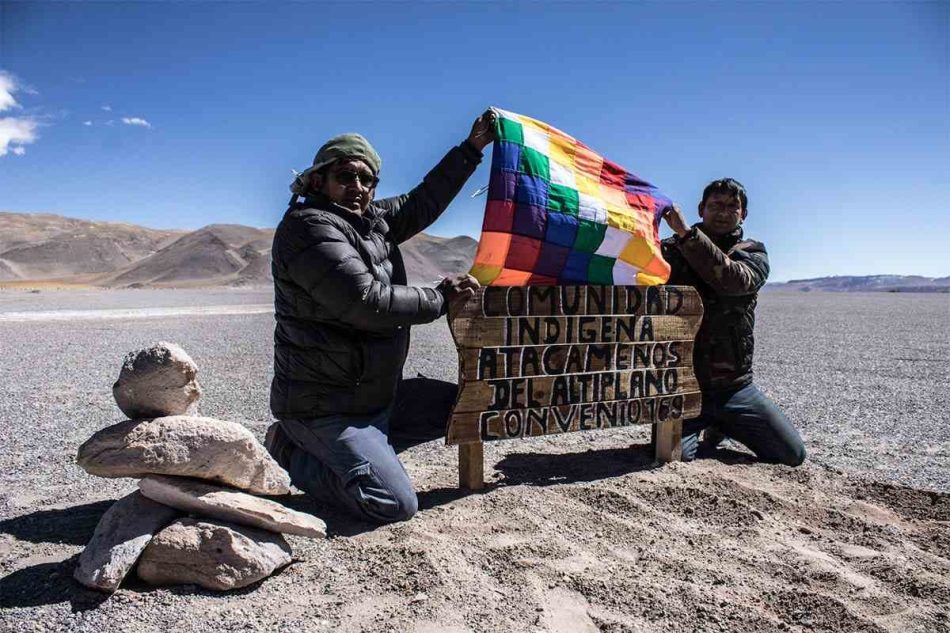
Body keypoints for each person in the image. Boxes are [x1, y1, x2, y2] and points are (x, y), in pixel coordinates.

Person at [265, 111, 496, 523]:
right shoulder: (308, 228)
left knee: (465, 410)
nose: (357, 187)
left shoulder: (372, 223)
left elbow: (423, 201)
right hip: (324, 406)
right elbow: (366, 301)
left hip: (375, 396)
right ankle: (288, 449)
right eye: (345, 176)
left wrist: (471, 149)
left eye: (366, 179)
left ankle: (367, 453)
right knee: (392, 503)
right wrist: (440, 297)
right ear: (318, 181)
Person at [661, 178, 805, 466]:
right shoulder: (670, 250)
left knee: (791, 455)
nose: (723, 212)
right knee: (673, 456)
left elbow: (732, 281)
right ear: (701, 209)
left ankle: (725, 424)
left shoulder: (753, 253)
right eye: (715, 205)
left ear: (744, 214)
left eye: (732, 206)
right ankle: (707, 425)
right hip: (683, 387)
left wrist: (688, 235)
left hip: (734, 387)